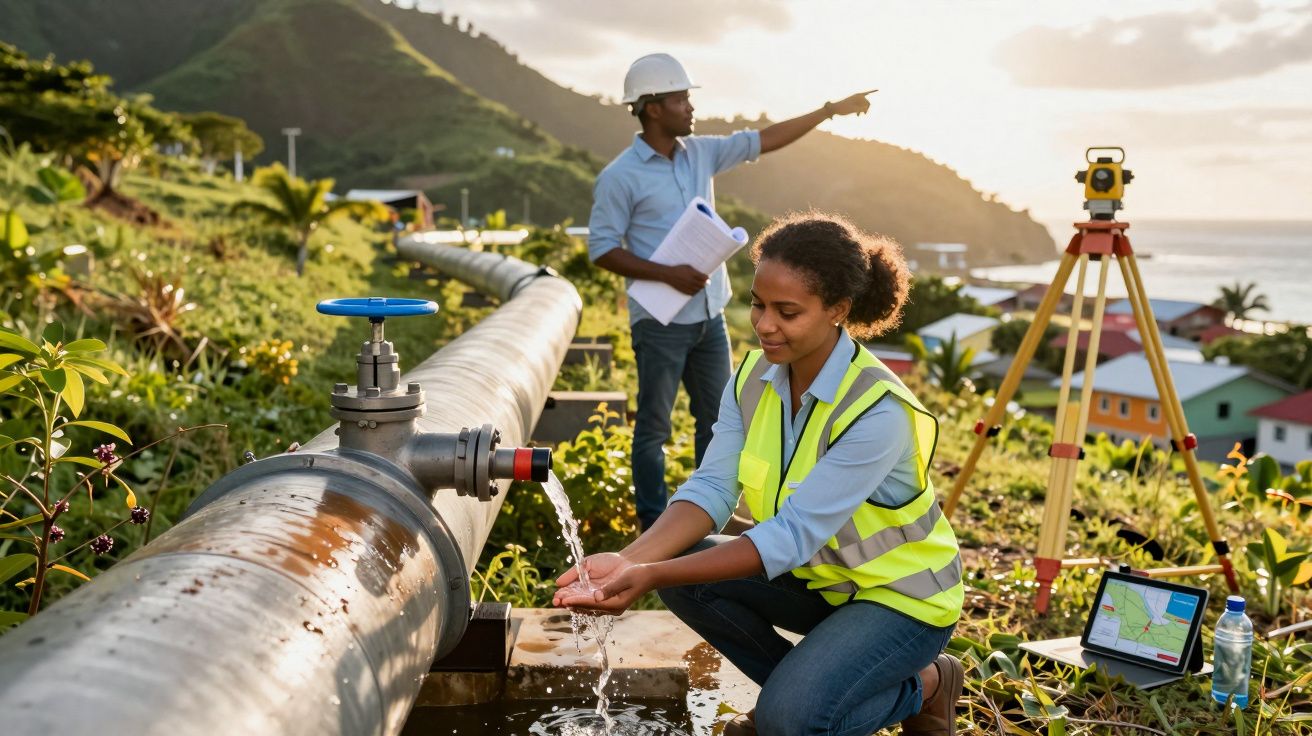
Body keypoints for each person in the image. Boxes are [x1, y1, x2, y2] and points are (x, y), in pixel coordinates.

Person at [556, 212, 966, 736]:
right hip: (825, 585)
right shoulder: (752, 379)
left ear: (838, 310)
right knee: (684, 572)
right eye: (757, 304)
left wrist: (651, 575)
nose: (765, 324)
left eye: (787, 312)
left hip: (901, 599)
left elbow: (791, 536)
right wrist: (629, 560)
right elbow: (711, 488)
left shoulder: (878, 412)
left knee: (788, 720)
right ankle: (798, 701)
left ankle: (926, 684)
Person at [588, 53, 876, 530]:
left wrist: (829, 111)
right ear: (652, 107)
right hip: (659, 319)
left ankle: (707, 522)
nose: (689, 106)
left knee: (720, 424)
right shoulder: (620, 176)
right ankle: (654, 526)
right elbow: (601, 250)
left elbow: (765, 139)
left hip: (708, 313)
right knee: (654, 428)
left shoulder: (700, 153)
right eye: (680, 98)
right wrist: (667, 273)